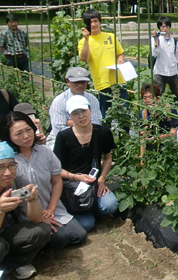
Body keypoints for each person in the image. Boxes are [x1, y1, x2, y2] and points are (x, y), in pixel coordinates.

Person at [0, 112, 87, 249]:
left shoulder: (45, 151)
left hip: (52, 207)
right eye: (18, 133)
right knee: (62, 237)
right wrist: (39, 216)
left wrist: (51, 209)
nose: (26, 136)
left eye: (28, 130)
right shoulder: (9, 161)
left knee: (79, 235)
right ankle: (35, 246)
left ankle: (43, 244)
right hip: (28, 214)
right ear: (9, 136)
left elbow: (57, 181)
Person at [53, 95, 118, 232]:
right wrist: (76, 177)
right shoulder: (64, 137)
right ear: (69, 116)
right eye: (75, 113)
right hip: (73, 185)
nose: (81, 116)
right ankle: (84, 210)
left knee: (110, 206)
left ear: (90, 110)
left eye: (84, 111)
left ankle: (90, 209)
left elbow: (107, 158)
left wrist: (101, 179)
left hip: (94, 182)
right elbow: (56, 169)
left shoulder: (103, 132)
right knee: (87, 225)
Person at [0, 141, 50, 280]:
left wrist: (33, 199)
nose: (8, 173)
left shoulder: (17, 181)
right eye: (1, 167)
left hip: (7, 233)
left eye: (11, 165)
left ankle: (10, 266)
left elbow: (36, 219)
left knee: (41, 230)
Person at [78, 9, 127, 117]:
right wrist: (86, 39)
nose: (93, 24)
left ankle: (125, 134)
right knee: (105, 115)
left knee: (124, 113)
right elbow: (84, 58)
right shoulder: (83, 42)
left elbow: (120, 53)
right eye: (90, 22)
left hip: (118, 80)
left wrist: (120, 60)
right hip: (102, 84)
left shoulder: (110, 36)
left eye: (95, 21)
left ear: (100, 21)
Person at [46, 66, 102, 149]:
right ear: (68, 81)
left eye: (83, 82)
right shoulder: (59, 101)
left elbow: (97, 123)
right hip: (61, 139)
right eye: (76, 82)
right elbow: (59, 129)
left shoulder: (92, 100)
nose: (80, 85)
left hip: (89, 138)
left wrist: (70, 122)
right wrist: (84, 124)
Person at [137, 83, 178, 156]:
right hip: (151, 148)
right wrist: (146, 137)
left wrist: (161, 137)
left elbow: (173, 133)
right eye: (145, 98)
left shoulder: (169, 111)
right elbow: (141, 135)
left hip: (167, 145)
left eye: (150, 97)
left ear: (158, 98)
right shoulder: (142, 115)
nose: (148, 100)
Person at [151, 16, 178, 102]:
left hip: (172, 71)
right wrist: (156, 39)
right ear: (159, 28)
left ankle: (177, 111)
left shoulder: (174, 41)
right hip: (160, 72)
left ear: (169, 27)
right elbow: (154, 53)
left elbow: (177, 57)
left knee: (176, 94)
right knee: (158, 94)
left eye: (166, 26)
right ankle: (157, 111)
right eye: (162, 27)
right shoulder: (155, 39)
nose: (165, 29)